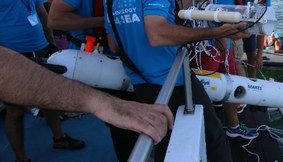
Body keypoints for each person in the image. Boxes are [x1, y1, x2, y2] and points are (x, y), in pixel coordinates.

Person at [104, 0, 248, 162]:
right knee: (213, 136)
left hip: (141, 84)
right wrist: (215, 32)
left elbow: (114, 43)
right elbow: (158, 33)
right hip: (173, 81)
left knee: (166, 141)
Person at [47, 0, 143, 160]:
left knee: (135, 114)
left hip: (127, 57)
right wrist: (108, 20)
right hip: (94, 58)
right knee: (121, 121)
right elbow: (55, 19)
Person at [0, 0, 84, 162]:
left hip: (39, 47)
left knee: (48, 94)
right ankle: (20, 157)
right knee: (15, 109)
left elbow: (41, 10)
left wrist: (52, 42)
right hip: (9, 53)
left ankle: (59, 137)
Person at [0, 46, 174, 144]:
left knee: (46, 105)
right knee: (14, 112)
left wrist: (100, 102)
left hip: (32, 50)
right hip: (16, 53)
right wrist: (100, 102)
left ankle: (59, 137)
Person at [194, 0, 259, 139]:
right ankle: (202, 134)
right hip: (211, 45)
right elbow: (200, 5)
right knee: (203, 91)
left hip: (223, 43)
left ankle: (233, 126)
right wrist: (225, 33)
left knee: (228, 85)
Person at [238, 0, 276, 77]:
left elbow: (262, 25)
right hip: (234, 24)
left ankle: (252, 81)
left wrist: (260, 54)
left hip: (249, 28)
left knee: (252, 56)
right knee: (235, 57)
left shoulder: (266, 0)